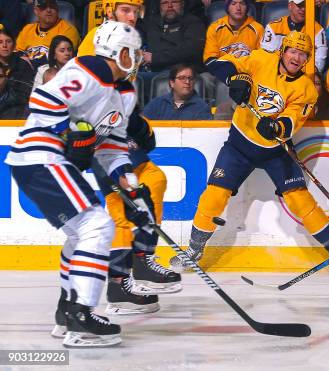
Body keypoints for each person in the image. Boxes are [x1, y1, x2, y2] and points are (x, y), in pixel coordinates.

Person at [4, 21, 151, 348]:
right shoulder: (92, 67)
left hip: (41, 162)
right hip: (41, 154)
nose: (137, 58)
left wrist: (134, 193)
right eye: (133, 52)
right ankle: (81, 315)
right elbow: (42, 99)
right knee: (97, 225)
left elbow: (112, 151)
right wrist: (74, 131)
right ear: (118, 51)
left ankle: (67, 312)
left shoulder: (120, 94)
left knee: (82, 232)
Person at [170, 31, 329, 274]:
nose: (296, 57)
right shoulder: (261, 59)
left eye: (302, 54)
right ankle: (194, 250)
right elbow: (220, 62)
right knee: (214, 195)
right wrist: (237, 79)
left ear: (307, 59)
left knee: (299, 199)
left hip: (274, 149)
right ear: (283, 50)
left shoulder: (307, 88)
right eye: (293, 51)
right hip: (239, 145)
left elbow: (293, 119)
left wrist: (277, 126)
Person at [78, 0, 182, 315]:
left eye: (135, 11)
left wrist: (133, 121)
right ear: (111, 13)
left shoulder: (131, 41)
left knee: (154, 180)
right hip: (95, 133)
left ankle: (142, 259)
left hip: (115, 125)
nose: (131, 16)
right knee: (120, 209)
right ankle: (117, 285)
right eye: (125, 10)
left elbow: (122, 89)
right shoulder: (100, 39)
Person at [202, 0, 263, 101]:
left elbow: (262, 60)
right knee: (205, 79)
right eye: (233, 3)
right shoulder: (215, 28)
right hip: (222, 72)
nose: (238, 7)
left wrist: (243, 75)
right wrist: (229, 76)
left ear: (247, 7)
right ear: (227, 7)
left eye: (242, 3)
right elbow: (210, 60)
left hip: (248, 73)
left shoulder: (258, 29)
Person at [260, 0, 327, 73]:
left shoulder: (318, 30)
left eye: (306, 6)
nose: (303, 9)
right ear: (290, 6)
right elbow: (265, 57)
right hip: (274, 73)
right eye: (300, 5)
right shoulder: (273, 27)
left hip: (304, 77)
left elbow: (319, 63)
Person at [141, 0, 206, 72]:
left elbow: (191, 51)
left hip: (182, 71)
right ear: (160, 7)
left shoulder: (193, 22)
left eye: (174, 2)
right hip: (152, 71)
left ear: (182, 4)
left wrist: (155, 58)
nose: (170, 6)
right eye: (164, 3)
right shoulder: (151, 23)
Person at [15, 0, 80, 68]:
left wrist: (30, 63)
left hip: (53, 71)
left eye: (52, 6)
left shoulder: (68, 29)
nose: (48, 10)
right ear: (36, 11)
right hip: (25, 71)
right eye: (44, 7)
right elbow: (17, 53)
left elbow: (61, 57)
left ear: (57, 9)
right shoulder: (27, 29)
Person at [143, 63, 212, 119]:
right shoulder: (156, 104)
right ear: (172, 83)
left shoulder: (202, 108)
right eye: (182, 78)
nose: (187, 82)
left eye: (190, 78)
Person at [78, 0, 143, 57]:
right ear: (109, 12)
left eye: (136, 12)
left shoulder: (132, 40)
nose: (133, 18)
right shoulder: (97, 38)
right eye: (125, 10)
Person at [0, 25, 35, 103]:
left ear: (14, 45)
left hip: (14, 109)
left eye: (8, 41)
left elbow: (23, 95)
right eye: (0, 42)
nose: (4, 45)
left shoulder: (23, 64)